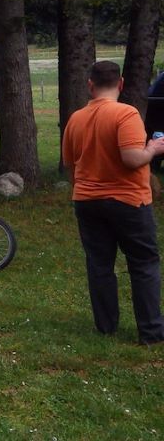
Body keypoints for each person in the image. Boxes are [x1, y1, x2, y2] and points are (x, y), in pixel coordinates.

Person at [62, 61, 164, 345]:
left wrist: (82, 188)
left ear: (90, 85)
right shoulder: (126, 114)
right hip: (128, 201)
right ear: (120, 84)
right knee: (143, 263)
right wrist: (153, 148)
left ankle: (106, 326)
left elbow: (71, 164)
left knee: (99, 264)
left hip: (87, 200)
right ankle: (152, 331)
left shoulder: (76, 119)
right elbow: (132, 159)